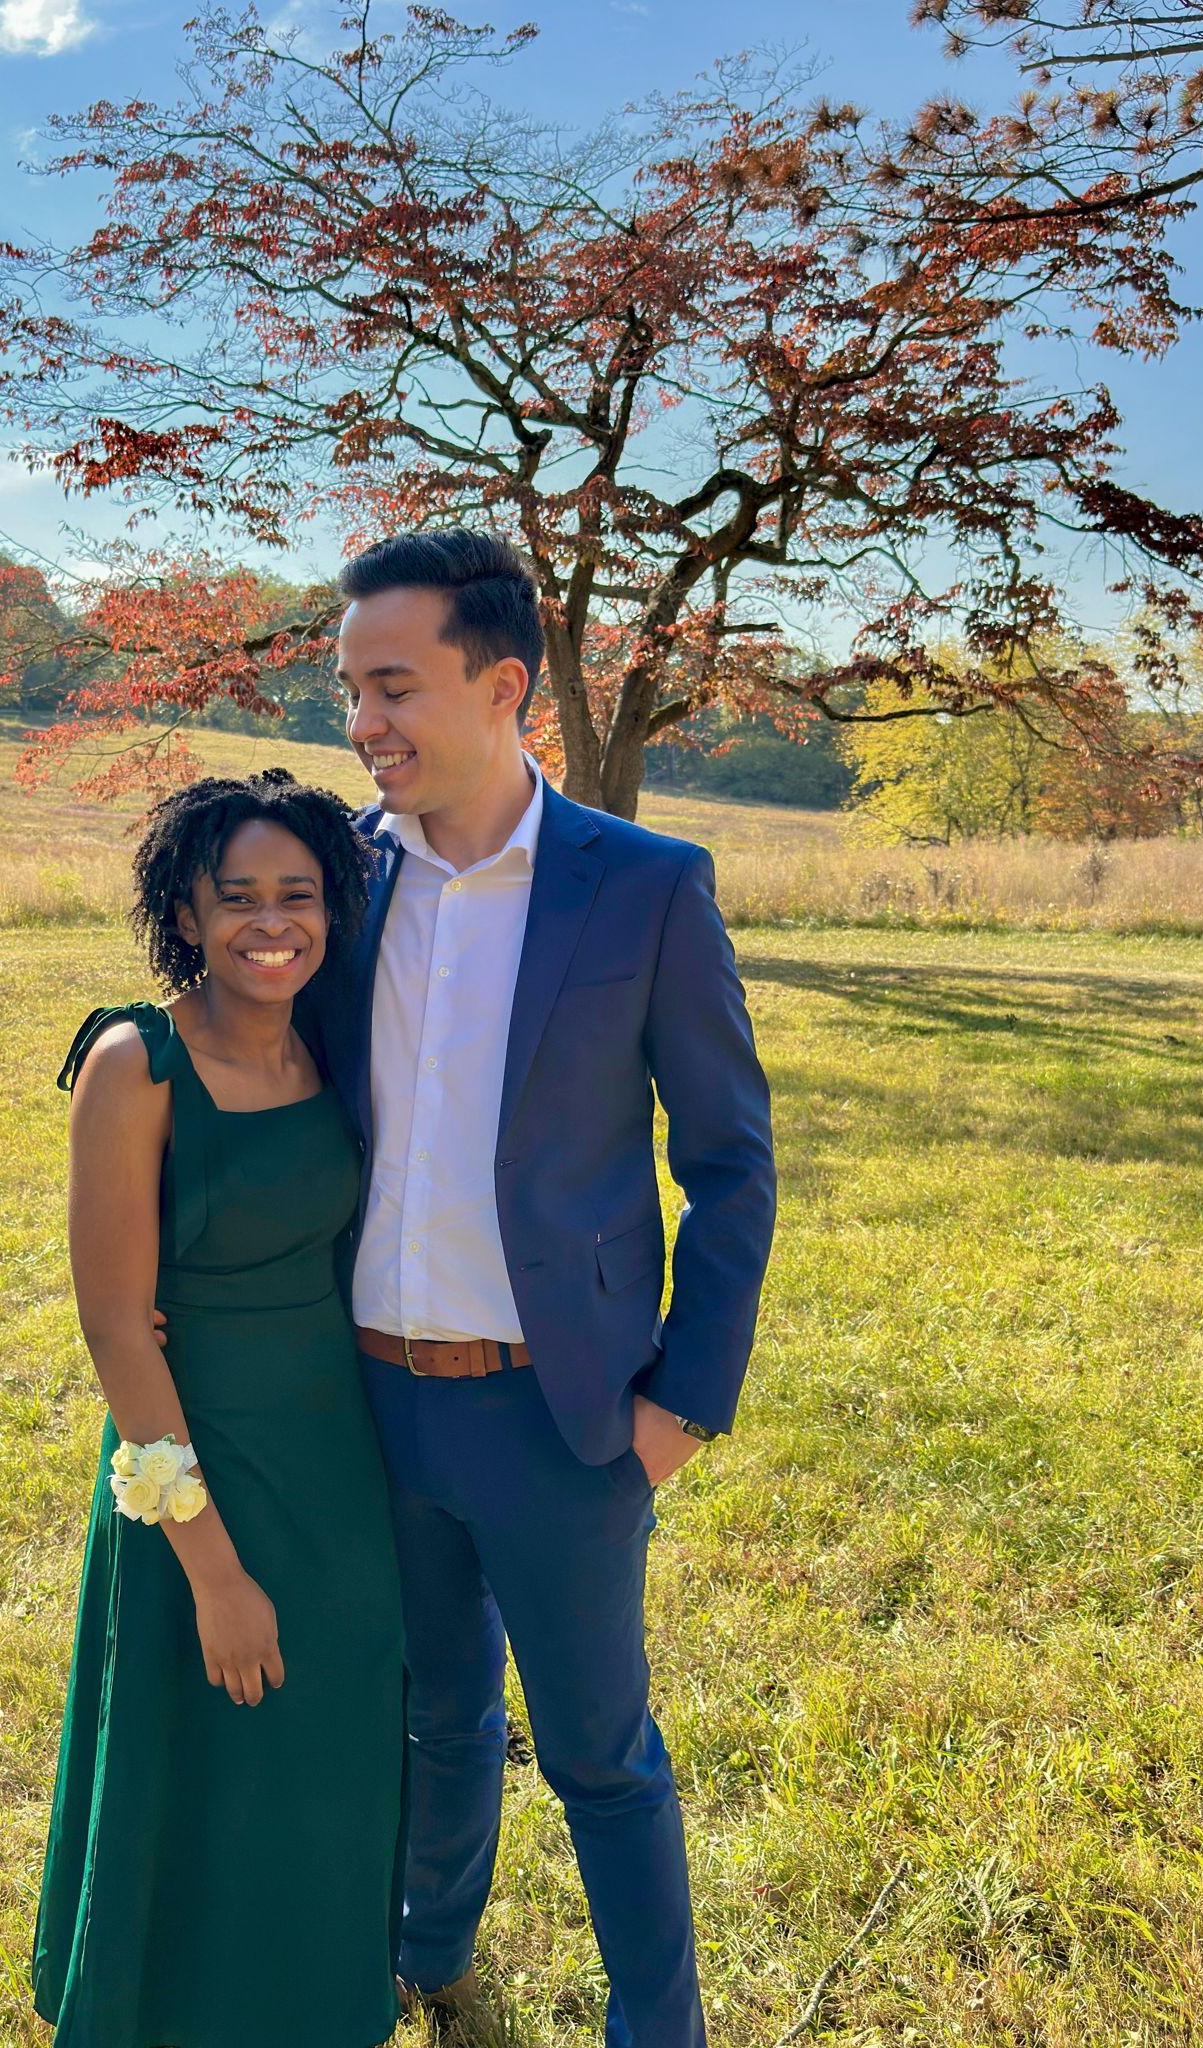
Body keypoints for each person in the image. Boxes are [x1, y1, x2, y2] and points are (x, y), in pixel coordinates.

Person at [304, 529, 777, 2048]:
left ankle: (661, 2031)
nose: (362, 723)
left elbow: (731, 1164)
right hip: (374, 1402)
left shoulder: (643, 887)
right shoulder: (339, 878)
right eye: (349, 691)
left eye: (393, 687)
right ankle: (424, 1956)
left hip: (562, 1416)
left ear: (503, 686)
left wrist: (684, 1403)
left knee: (598, 1754)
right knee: (433, 1713)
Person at [31, 769, 405, 2048]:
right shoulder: (134, 1062)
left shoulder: (326, 1042)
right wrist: (212, 1569)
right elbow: (112, 1327)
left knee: (324, 1741)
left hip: (334, 1461)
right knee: (202, 1746)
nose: (269, 921)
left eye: (297, 893)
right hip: (191, 1460)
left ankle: (317, 2007)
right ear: (184, 912)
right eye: (236, 895)